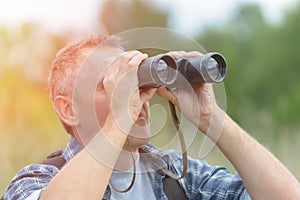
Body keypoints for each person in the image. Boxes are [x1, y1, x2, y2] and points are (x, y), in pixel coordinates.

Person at [3, 33, 300, 200]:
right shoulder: (37, 180)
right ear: (68, 109)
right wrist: (118, 121)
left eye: (136, 80)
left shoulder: (174, 177)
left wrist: (209, 115)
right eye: (111, 83)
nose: (136, 94)